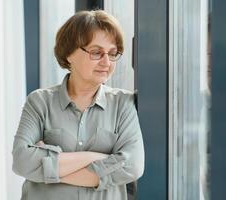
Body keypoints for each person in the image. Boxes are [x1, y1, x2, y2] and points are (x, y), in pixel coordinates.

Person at [12, 10, 145, 200]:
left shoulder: (123, 104)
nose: (106, 62)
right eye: (96, 52)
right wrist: (96, 158)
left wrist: (49, 169)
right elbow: (22, 161)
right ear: (69, 54)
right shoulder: (40, 102)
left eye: (113, 53)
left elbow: (132, 166)